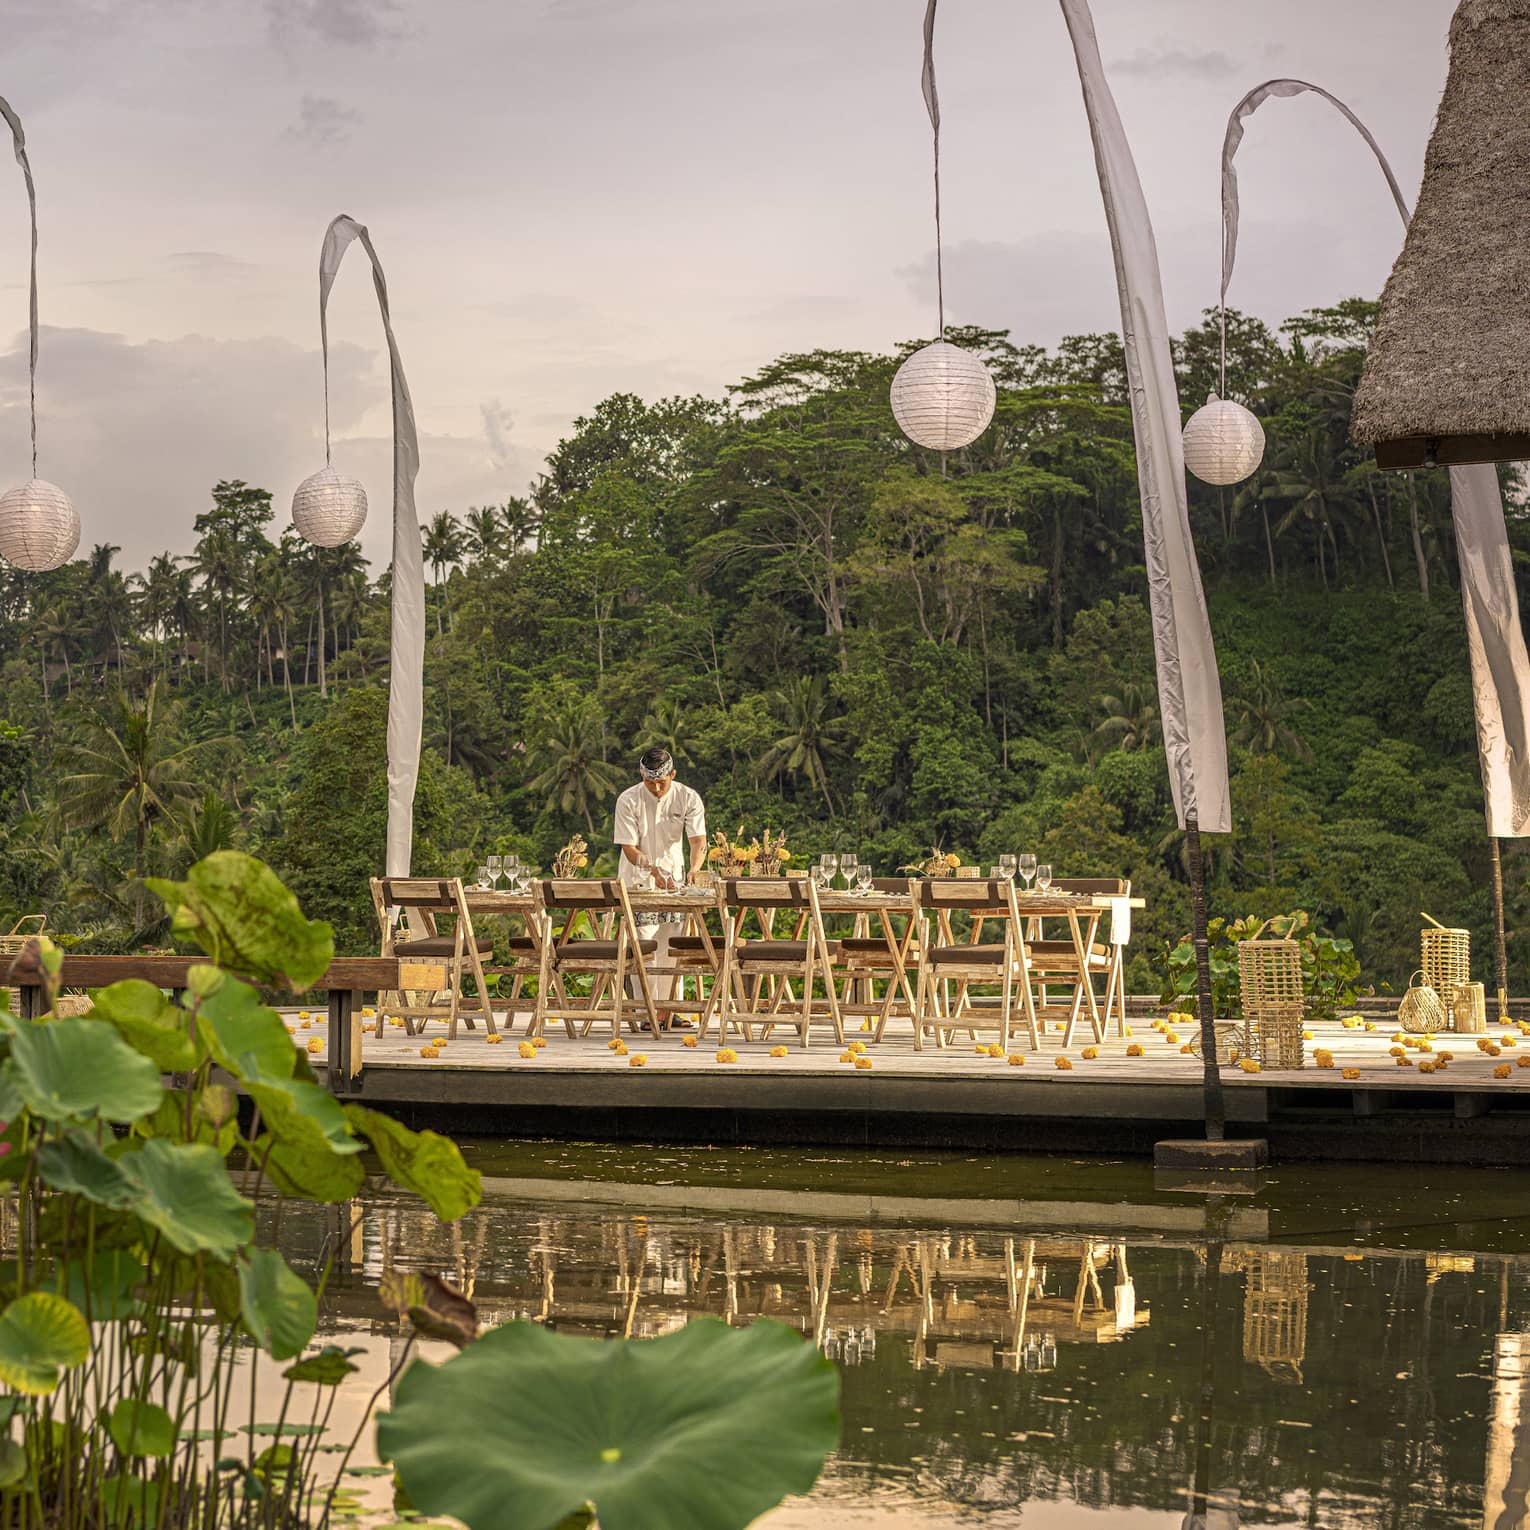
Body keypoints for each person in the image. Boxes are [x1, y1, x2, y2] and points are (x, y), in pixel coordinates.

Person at [612, 746, 707, 1027]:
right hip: (638, 882)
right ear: (641, 776)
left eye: (661, 781)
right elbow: (629, 847)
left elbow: (698, 842)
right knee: (645, 948)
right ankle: (646, 1013)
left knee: (671, 947)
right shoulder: (628, 799)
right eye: (649, 781)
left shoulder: (688, 797)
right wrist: (652, 870)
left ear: (673, 775)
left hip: (674, 882)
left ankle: (669, 1012)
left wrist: (694, 869)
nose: (655, 787)